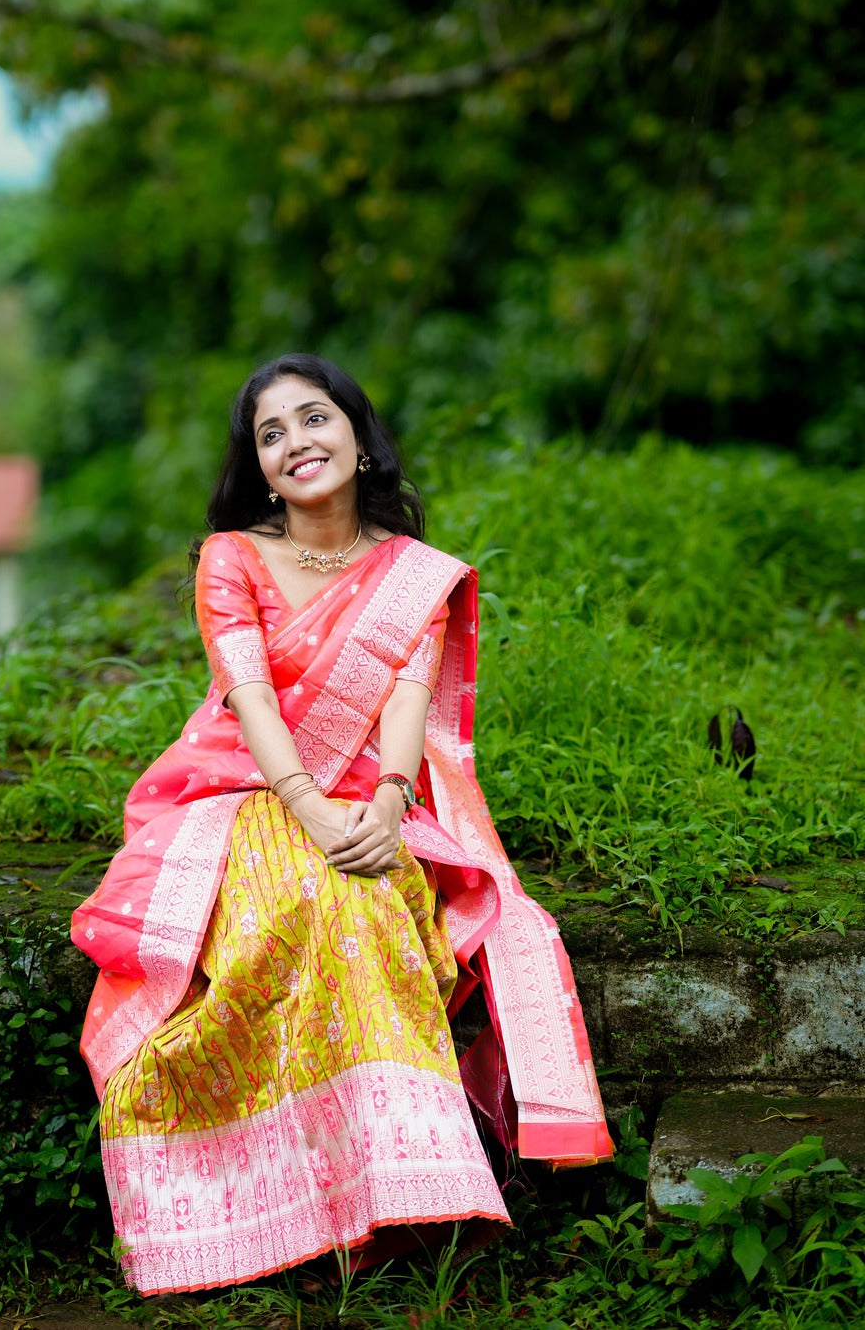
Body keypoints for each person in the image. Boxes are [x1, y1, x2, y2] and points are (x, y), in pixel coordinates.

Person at [71, 354, 612, 1297]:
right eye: (269, 435)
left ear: (359, 439)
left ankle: (404, 1192)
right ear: (259, 466)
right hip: (242, 793)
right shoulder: (230, 558)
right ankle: (290, 1206)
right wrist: (313, 811)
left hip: (373, 801)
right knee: (309, 899)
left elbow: (407, 699)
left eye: (312, 420)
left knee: (372, 895)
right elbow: (248, 697)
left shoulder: (413, 577)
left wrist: (388, 809)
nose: (294, 444)